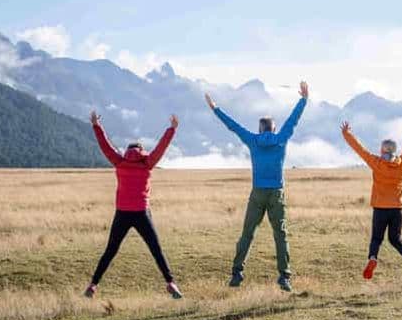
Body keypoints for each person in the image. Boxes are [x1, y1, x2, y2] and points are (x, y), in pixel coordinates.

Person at [205, 82, 309, 292]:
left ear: (259, 129)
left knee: (247, 233)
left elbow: (232, 126)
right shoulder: (281, 138)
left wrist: (215, 109)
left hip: (258, 193)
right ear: (273, 128)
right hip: (276, 193)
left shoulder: (252, 139)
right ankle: (284, 277)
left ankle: (237, 273)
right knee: (280, 234)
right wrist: (303, 100)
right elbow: (293, 120)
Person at [84, 111, 183, 299]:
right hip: (141, 213)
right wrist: (172, 129)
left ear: (127, 150)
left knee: (110, 251)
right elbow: (161, 148)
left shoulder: (119, 162)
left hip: (122, 212)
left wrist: (96, 125)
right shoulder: (148, 162)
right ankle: (170, 283)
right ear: (141, 150)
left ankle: (93, 285)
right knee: (156, 249)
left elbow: (105, 146)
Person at [341, 119, 402, 282]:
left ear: (382, 150)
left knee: (376, 238)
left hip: (380, 208)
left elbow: (360, 149)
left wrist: (347, 133)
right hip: (398, 209)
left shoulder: (377, 163)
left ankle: (373, 258)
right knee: (396, 239)